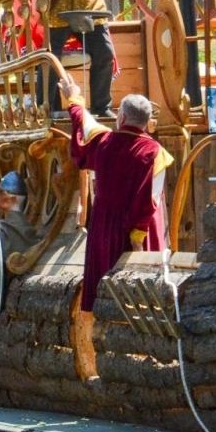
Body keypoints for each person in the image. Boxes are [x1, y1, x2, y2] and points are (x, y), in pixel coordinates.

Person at [59, 75, 171, 315]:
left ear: (120, 117)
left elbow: (83, 121)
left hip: (104, 230)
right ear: (148, 122)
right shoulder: (156, 153)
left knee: (104, 297)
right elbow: (149, 201)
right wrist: (138, 238)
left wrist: (74, 97)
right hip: (138, 233)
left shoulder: (104, 141)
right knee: (142, 298)